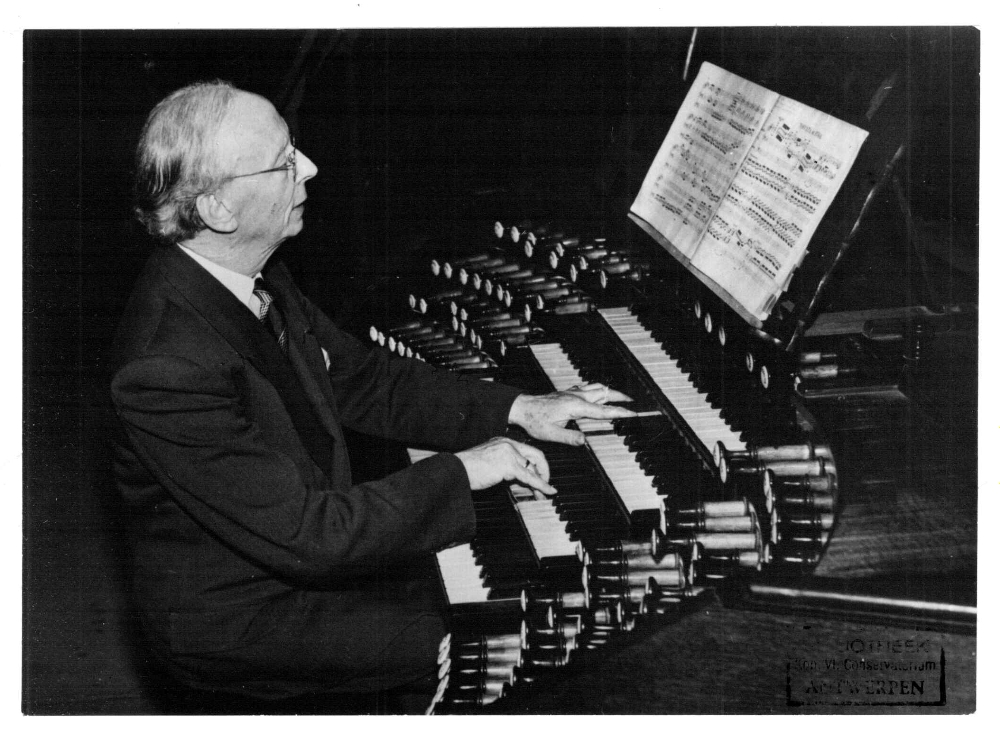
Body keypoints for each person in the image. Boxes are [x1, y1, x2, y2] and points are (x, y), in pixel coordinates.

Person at [111, 80, 634, 711]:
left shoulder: (248, 272)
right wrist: (468, 468)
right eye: (283, 162)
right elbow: (314, 537)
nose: (309, 168)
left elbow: (364, 380)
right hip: (246, 615)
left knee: (509, 580)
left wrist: (520, 408)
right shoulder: (165, 366)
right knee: (508, 637)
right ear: (219, 209)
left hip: (302, 545)